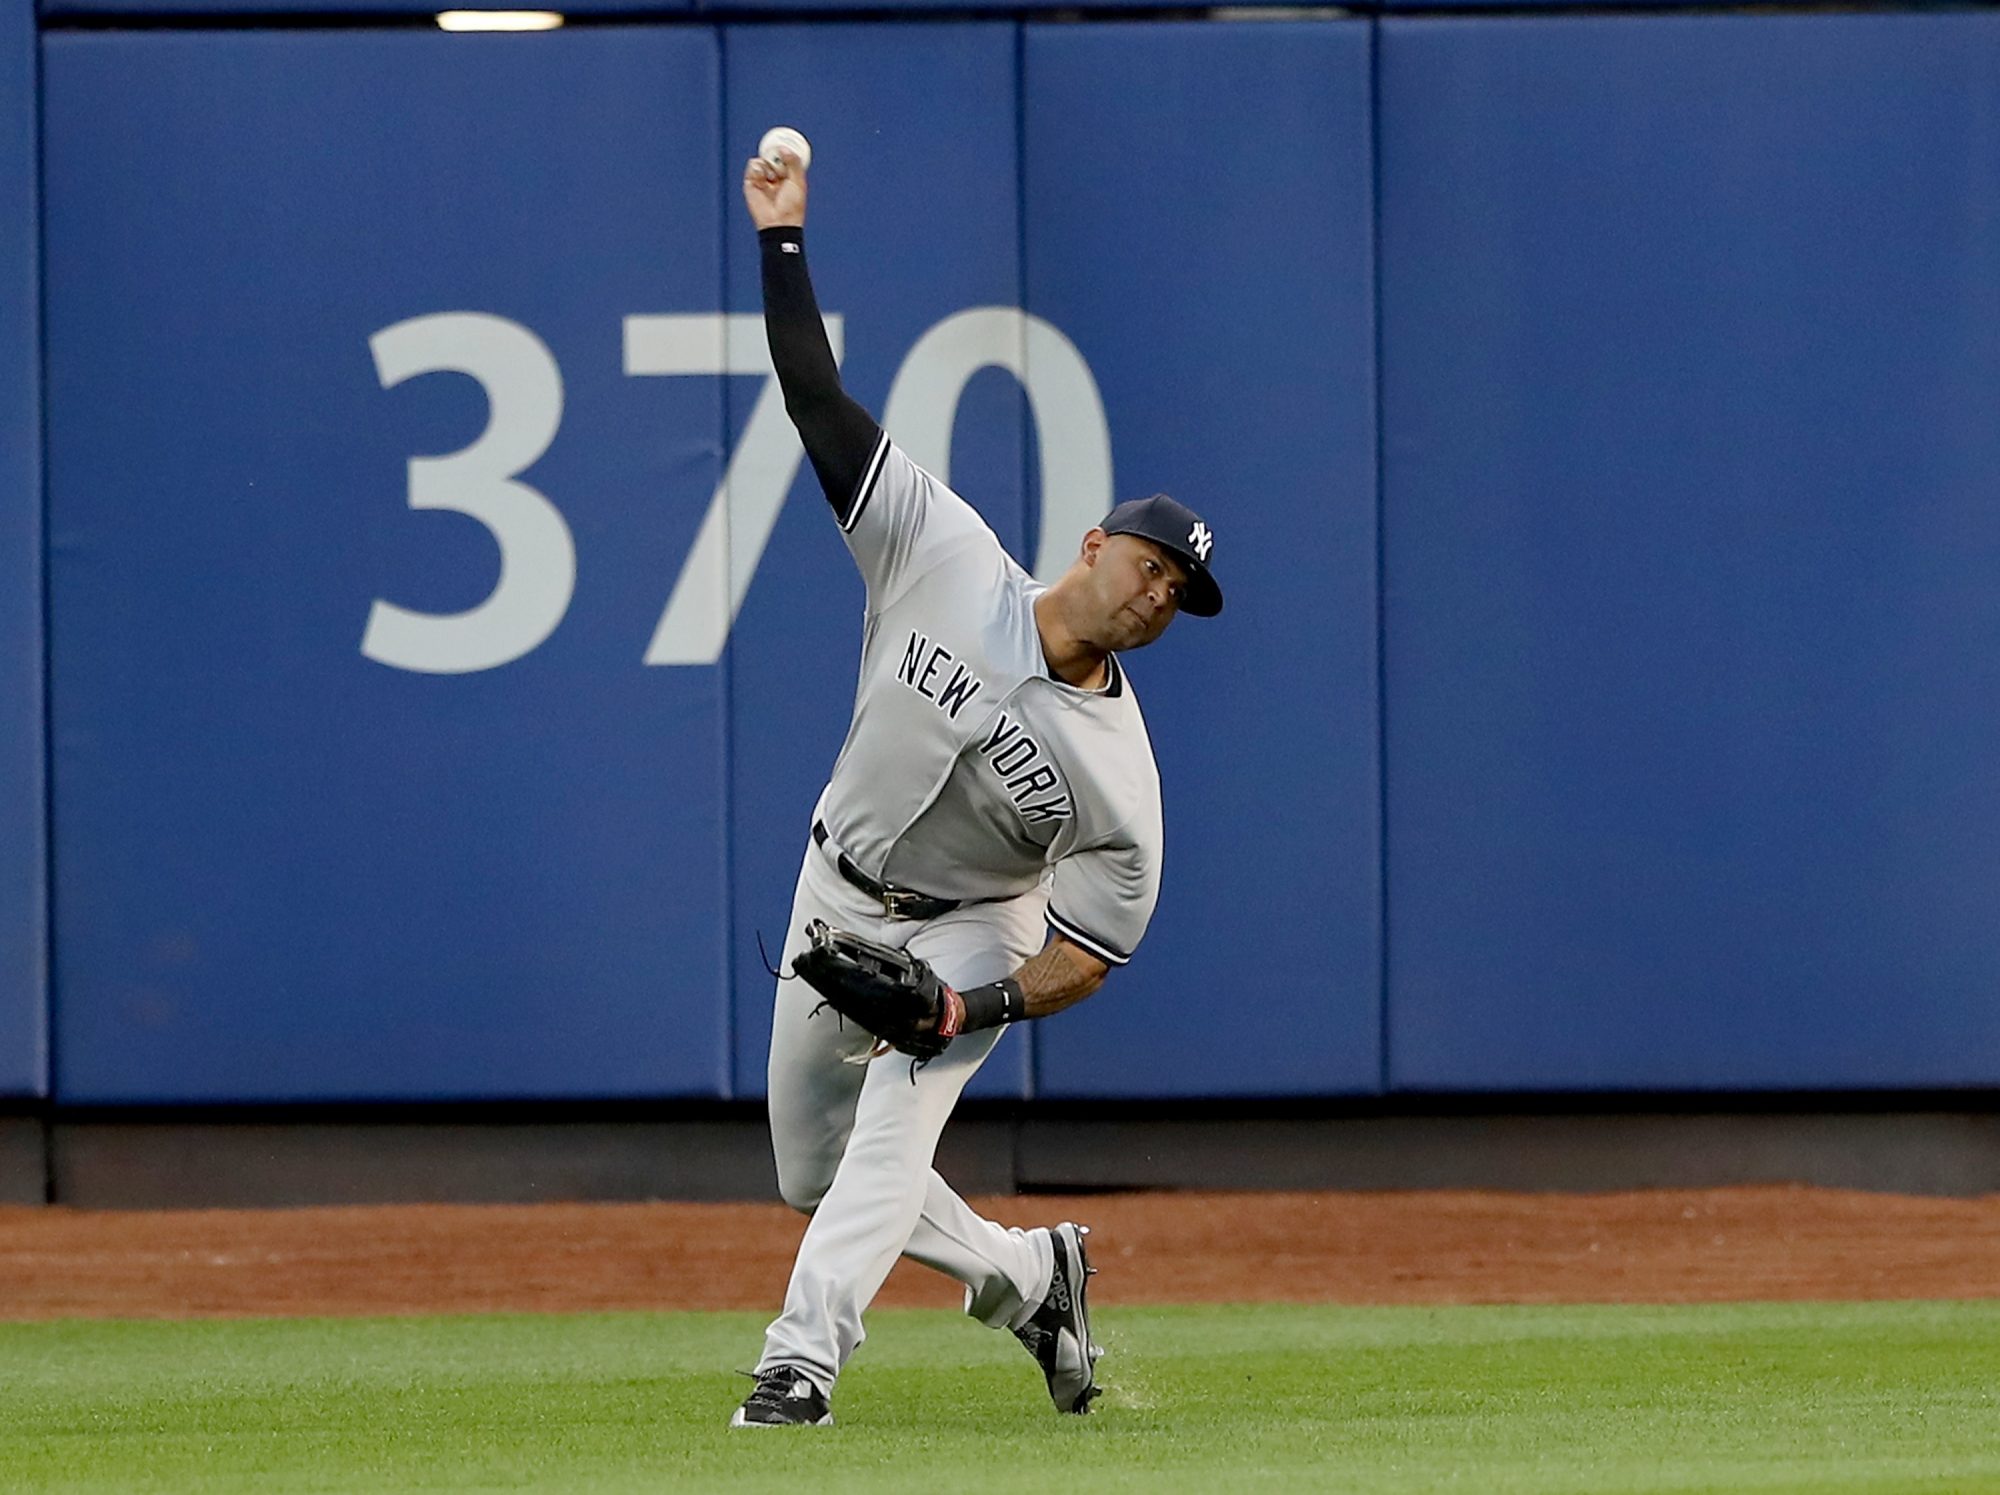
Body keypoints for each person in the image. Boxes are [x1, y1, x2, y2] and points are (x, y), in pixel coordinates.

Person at [730, 142, 1224, 1430]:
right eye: (1153, 564)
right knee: (811, 1168)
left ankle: (801, 1359)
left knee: (895, 1123)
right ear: (1095, 543)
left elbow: (1096, 949)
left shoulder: (1121, 780)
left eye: (1180, 592)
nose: (1159, 592)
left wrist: (977, 1002)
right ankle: (1029, 1275)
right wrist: (783, 240)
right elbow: (816, 402)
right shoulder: (943, 554)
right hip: (836, 883)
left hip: (974, 925)